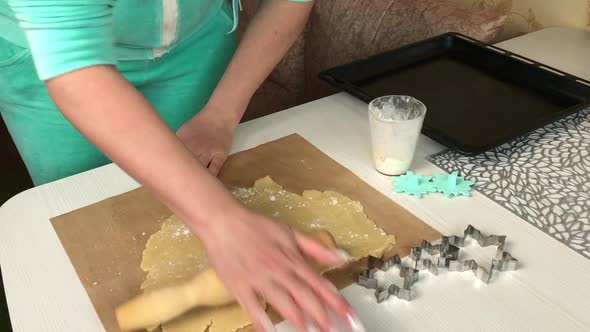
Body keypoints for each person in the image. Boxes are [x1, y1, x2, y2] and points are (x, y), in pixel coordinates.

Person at [0, 0, 366, 331]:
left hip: (195, 44)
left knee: (199, 188)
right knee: (87, 225)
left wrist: (221, 115)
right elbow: (76, 67)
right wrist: (220, 220)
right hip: (43, 55)